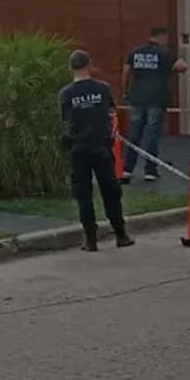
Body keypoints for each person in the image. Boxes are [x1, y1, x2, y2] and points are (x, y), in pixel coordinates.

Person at [58, 49, 135, 252]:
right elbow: (112, 114)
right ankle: (121, 234)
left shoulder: (65, 94)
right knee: (110, 191)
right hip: (101, 146)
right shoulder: (103, 89)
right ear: (89, 65)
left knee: (83, 195)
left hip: (78, 148)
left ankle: (90, 240)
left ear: (71, 68)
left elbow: (65, 123)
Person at [121, 26, 188, 183]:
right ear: (162, 36)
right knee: (151, 134)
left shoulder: (135, 51)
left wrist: (126, 93)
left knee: (134, 134)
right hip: (157, 99)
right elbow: (182, 67)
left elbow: (125, 72)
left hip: (137, 98)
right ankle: (150, 170)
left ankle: (127, 169)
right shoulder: (164, 54)